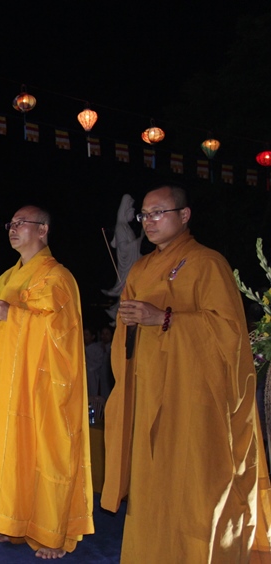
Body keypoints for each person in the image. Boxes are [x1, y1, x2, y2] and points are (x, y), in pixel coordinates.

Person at [102, 185, 271, 562]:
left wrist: (163, 318)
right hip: (149, 391)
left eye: (158, 213)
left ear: (184, 215)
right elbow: (128, 335)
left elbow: (228, 332)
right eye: (144, 215)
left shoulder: (208, 263)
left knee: (195, 483)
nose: (149, 222)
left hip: (193, 396)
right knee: (151, 486)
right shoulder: (141, 268)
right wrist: (130, 322)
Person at [0, 205, 94, 559]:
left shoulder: (58, 278)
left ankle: (51, 532)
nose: (12, 229)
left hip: (41, 387)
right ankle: (13, 522)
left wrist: (12, 315)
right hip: (8, 385)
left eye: (20, 223)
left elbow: (62, 335)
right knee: (12, 452)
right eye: (10, 223)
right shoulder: (6, 278)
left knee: (45, 451)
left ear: (42, 230)